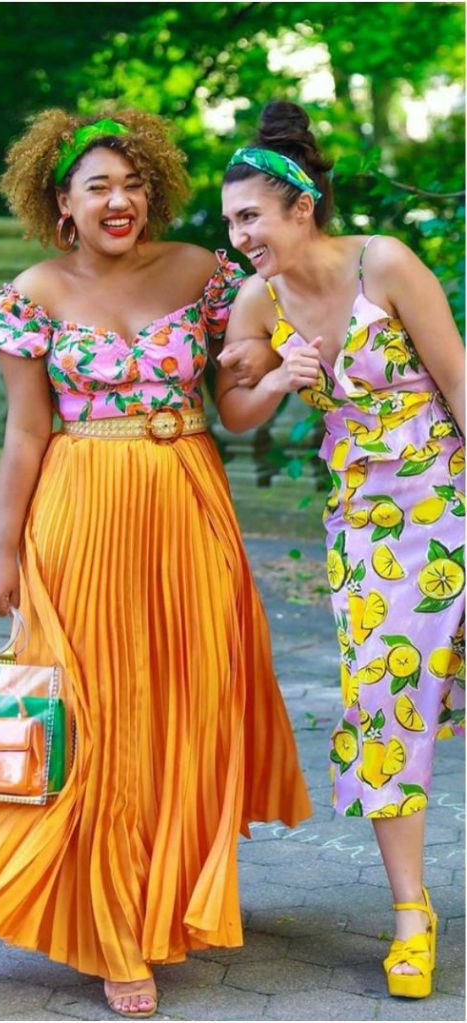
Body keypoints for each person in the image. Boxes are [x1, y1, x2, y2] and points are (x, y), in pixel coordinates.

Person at [0, 107, 311, 1019]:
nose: (120, 199)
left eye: (132, 183)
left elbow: (239, 396)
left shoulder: (206, 272)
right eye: (99, 187)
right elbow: (23, 429)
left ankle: (166, 893)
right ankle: (111, 932)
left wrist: (282, 370)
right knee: (93, 716)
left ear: (153, 189)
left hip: (187, 501)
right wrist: (0, 549)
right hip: (80, 512)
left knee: (188, 703)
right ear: (63, 202)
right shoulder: (32, 291)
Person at [216, 99, 465, 1001]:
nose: (238, 235)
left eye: (249, 216)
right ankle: (409, 915)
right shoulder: (257, 297)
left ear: (298, 208)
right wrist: (279, 374)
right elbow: (234, 410)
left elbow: (459, 381)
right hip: (365, 526)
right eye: (228, 221)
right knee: (384, 699)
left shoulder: (382, 263)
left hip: (450, 497)